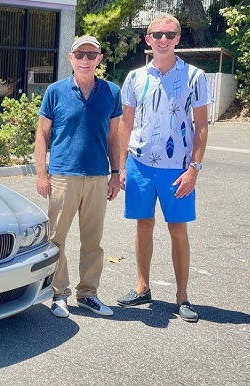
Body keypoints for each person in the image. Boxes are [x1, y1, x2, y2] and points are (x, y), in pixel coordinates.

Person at [116, 14, 210, 323]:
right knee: (143, 225)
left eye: (169, 34)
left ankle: (182, 296)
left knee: (178, 229)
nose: (163, 39)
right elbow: (126, 124)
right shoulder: (134, 78)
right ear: (148, 39)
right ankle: (143, 287)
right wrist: (120, 166)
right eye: (157, 33)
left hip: (178, 169)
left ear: (178, 39)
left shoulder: (195, 76)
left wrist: (194, 168)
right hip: (140, 164)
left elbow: (200, 127)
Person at [34, 35, 122, 318]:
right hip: (62, 176)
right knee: (56, 239)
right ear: (70, 58)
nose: (85, 60)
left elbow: (113, 137)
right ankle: (59, 294)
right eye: (79, 54)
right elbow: (42, 135)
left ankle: (89, 294)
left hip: (97, 176)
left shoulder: (111, 92)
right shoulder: (55, 91)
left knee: (93, 241)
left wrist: (116, 173)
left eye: (91, 54)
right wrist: (41, 173)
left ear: (99, 59)